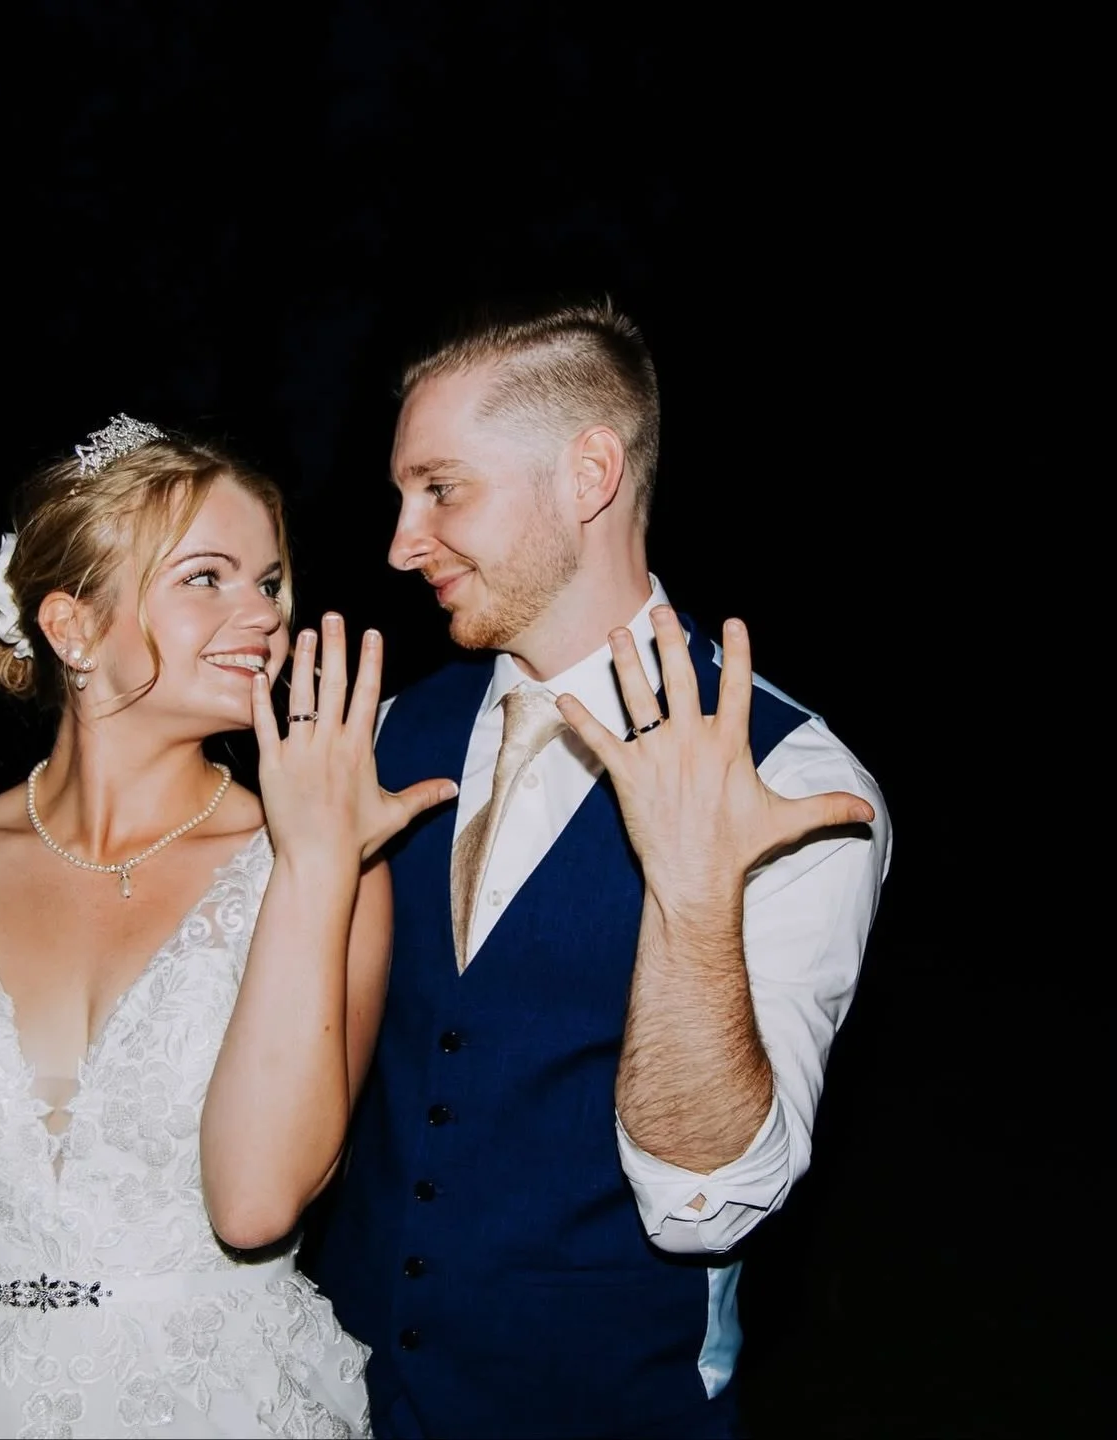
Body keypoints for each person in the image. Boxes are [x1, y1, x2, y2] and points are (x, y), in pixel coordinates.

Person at [0, 416, 456, 1439]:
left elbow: (265, 1201)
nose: (261, 616)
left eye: (270, 583)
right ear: (72, 627)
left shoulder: (324, 866)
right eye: (207, 579)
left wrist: (318, 863)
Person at [299, 298, 894, 1439]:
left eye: (442, 489)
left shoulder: (795, 780)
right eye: (400, 495)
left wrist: (688, 893)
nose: (399, 542)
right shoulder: (386, 739)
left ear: (588, 473)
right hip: (342, 1393)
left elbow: (709, 1205)